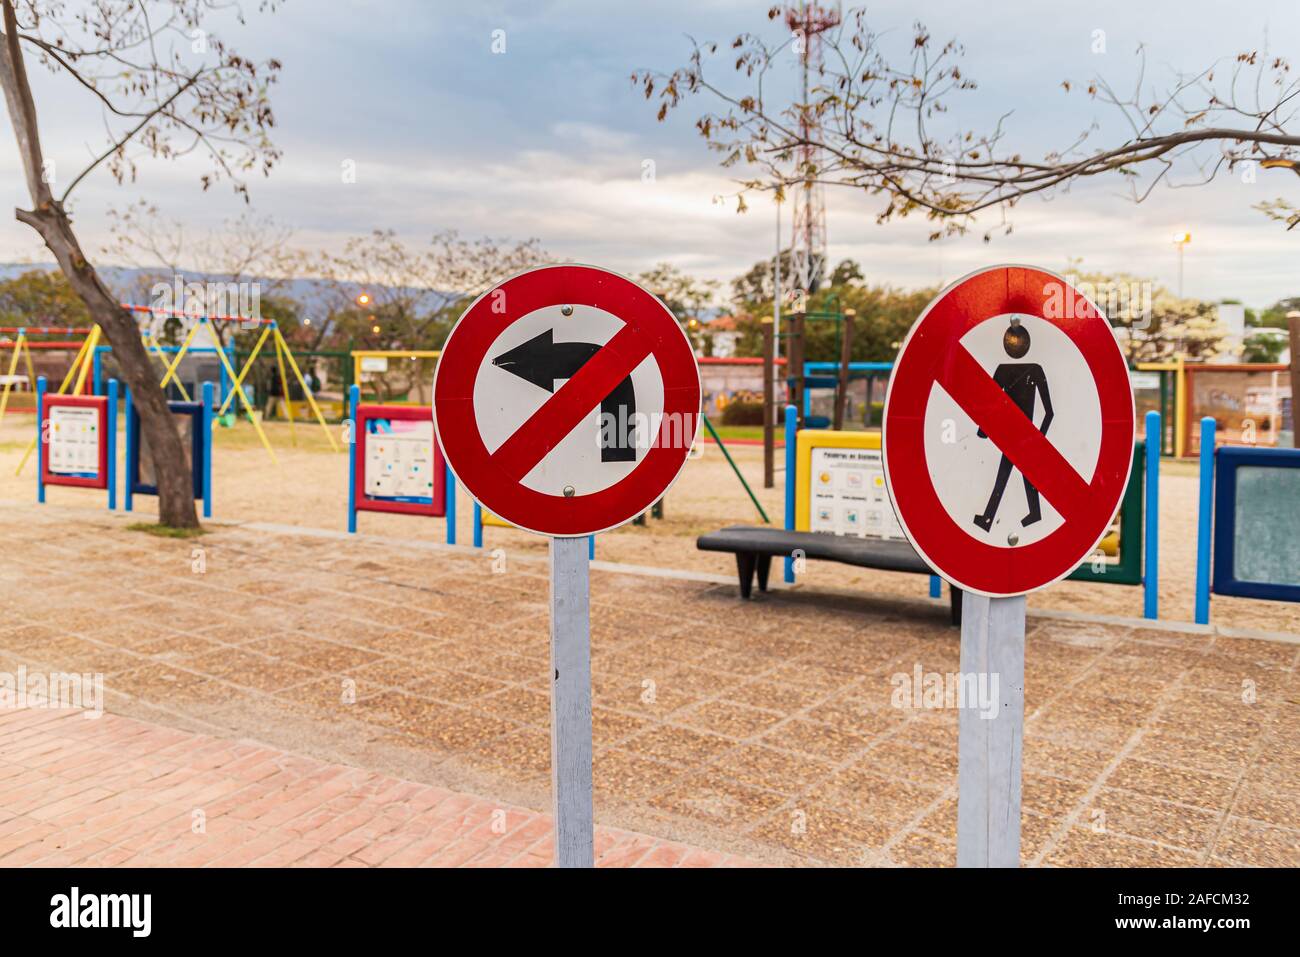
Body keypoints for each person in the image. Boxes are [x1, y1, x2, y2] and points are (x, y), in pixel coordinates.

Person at [973, 318, 1054, 532]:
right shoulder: (1030, 369)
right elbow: (989, 404)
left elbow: (988, 407)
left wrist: (984, 430)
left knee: (1005, 475)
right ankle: (1032, 513)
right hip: (1015, 435)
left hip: (1016, 435)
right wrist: (1038, 436)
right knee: (1022, 473)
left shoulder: (1016, 370)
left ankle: (989, 519)